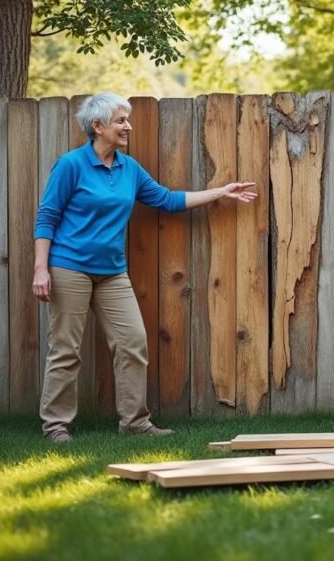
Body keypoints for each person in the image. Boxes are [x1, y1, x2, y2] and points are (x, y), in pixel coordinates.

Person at [32, 92, 257, 443]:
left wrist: (220, 192)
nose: (128, 126)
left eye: (127, 120)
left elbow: (167, 199)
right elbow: (47, 216)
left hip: (111, 273)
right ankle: (56, 427)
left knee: (133, 341)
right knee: (65, 348)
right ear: (98, 126)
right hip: (69, 267)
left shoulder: (128, 169)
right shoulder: (71, 165)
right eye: (121, 120)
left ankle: (135, 423)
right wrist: (40, 269)